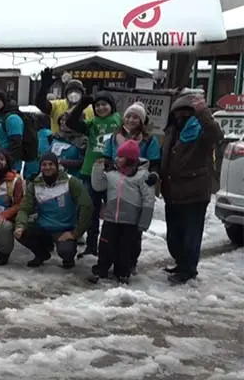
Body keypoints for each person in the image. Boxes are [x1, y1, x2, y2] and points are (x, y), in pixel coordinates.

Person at [160, 94, 223, 284]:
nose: (182, 117)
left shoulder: (202, 132)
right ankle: (181, 262)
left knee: (191, 236)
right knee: (174, 236)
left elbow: (216, 134)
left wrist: (204, 113)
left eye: (187, 113)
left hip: (194, 193)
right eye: (179, 113)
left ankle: (188, 269)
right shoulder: (172, 131)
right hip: (172, 192)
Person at [87, 140, 155, 285]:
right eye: (117, 156)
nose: (117, 159)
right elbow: (98, 186)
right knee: (105, 245)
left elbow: (148, 200)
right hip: (111, 217)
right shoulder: (112, 173)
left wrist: (144, 222)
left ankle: (123, 272)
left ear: (130, 158)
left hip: (130, 220)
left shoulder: (142, 176)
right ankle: (102, 269)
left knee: (126, 248)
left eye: (121, 157)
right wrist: (98, 167)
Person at [63, 92, 122, 258]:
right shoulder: (92, 123)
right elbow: (71, 123)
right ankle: (91, 246)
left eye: (105, 104)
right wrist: (81, 105)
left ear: (112, 106)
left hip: (113, 173)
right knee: (91, 211)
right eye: (97, 105)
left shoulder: (119, 121)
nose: (101, 108)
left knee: (112, 214)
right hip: (90, 171)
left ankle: (109, 247)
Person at [14, 153, 93, 268]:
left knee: (66, 251)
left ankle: (68, 259)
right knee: (21, 233)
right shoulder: (35, 184)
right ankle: (41, 254)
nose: (47, 167)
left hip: (65, 229)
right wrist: (20, 225)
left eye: (51, 164)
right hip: (44, 227)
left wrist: (76, 233)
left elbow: (87, 205)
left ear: (56, 166)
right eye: (44, 164)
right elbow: (24, 208)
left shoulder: (71, 182)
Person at [35, 68, 94, 133]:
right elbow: (41, 104)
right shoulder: (57, 105)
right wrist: (44, 88)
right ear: (66, 94)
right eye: (71, 91)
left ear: (82, 94)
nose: (73, 94)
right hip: (58, 141)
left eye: (77, 91)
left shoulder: (90, 109)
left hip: (82, 142)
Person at [0, 90, 24, 173]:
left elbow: (16, 144)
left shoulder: (12, 118)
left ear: (4, 102)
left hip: (10, 165)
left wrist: (7, 162)